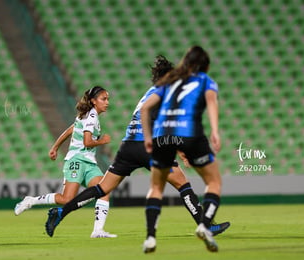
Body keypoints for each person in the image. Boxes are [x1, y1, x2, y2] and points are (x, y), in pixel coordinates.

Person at [44, 55, 230, 241]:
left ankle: (60, 213)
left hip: (128, 148)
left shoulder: (150, 93)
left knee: (102, 189)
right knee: (183, 184)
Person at [141, 46, 222, 253]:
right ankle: (205, 225)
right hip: (189, 132)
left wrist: (148, 137)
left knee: (156, 187)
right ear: (206, 65)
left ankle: (150, 237)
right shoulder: (204, 80)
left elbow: (145, 108)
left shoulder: (168, 81)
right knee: (213, 182)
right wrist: (214, 131)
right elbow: (212, 103)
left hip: (161, 135)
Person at [14, 86, 117, 238]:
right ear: (94, 101)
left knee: (104, 191)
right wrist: (102, 141)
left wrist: (55, 147)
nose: (107, 102)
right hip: (76, 160)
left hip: (89, 163)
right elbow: (87, 142)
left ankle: (97, 231)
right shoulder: (91, 117)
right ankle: (31, 201)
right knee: (66, 199)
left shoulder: (87, 115)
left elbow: (71, 130)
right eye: (104, 99)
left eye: (107, 99)